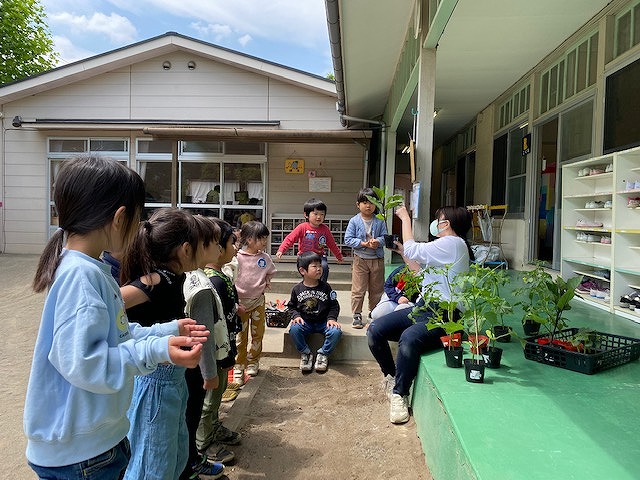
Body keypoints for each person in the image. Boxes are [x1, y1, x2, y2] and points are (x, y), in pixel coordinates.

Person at [25, 156, 207, 480]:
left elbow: (117, 334)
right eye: (138, 220)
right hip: (84, 455)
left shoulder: (91, 270)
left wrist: (165, 333)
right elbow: (88, 363)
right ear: (120, 218)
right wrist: (157, 351)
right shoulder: (81, 277)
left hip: (88, 447)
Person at [120, 208, 224, 480]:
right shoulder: (157, 279)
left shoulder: (176, 277)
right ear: (185, 249)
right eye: (203, 244)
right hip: (154, 383)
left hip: (172, 381)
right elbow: (111, 302)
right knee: (152, 464)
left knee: (174, 458)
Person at [367, 205, 473, 425]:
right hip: (425, 307)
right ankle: (391, 375)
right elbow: (418, 270)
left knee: (409, 338)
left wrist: (405, 218)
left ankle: (400, 394)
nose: (437, 223)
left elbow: (414, 249)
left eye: (440, 219)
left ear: (448, 223)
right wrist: (401, 251)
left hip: (446, 313)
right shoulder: (445, 248)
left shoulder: (453, 243)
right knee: (375, 329)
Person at [182, 216, 235, 476]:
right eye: (216, 242)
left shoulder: (197, 277)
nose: (221, 248)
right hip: (202, 363)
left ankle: (197, 450)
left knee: (198, 410)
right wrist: (210, 372)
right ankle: (198, 453)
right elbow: (204, 333)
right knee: (196, 410)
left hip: (207, 358)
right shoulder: (202, 285)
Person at [196, 218, 243, 465]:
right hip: (215, 351)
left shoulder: (219, 276)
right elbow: (212, 325)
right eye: (231, 243)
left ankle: (214, 427)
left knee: (220, 391)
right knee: (211, 397)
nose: (235, 249)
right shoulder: (210, 281)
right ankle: (204, 443)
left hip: (226, 344)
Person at [233, 220, 277, 383]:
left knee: (258, 334)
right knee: (240, 336)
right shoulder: (237, 258)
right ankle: (239, 366)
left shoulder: (264, 258)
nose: (265, 242)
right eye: (262, 239)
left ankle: (253, 362)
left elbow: (271, 271)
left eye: (265, 238)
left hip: (258, 301)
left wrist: (267, 280)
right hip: (241, 303)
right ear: (250, 239)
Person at [288, 251, 342, 372]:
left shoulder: (326, 287)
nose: (319, 269)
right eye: (314, 266)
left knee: (336, 331)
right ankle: (306, 353)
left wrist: (331, 318)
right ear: (303, 271)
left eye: (320, 265)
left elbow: (334, 305)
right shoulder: (297, 289)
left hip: (323, 322)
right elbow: (291, 307)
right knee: (294, 329)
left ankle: (323, 354)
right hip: (305, 322)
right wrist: (296, 316)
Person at [344, 187, 388, 329]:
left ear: (376, 204)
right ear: (358, 205)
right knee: (358, 289)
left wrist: (378, 242)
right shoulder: (354, 221)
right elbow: (348, 239)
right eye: (364, 202)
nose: (368, 206)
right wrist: (363, 243)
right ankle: (357, 314)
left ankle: (373, 313)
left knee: (377, 289)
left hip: (377, 259)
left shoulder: (380, 221)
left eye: (371, 202)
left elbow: (385, 238)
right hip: (360, 259)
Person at [275, 197, 344, 282]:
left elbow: (332, 244)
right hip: (304, 257)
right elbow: (290, 239)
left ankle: (322, 287)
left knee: (324, 267)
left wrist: (339, 256)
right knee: (307, 273)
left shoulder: (325, 229)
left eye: (322, 214)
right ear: (306, 215)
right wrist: (281, 250)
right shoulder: (302, 227)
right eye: (315, 214)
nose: (319, 217)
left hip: (319, 257)